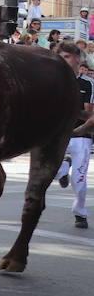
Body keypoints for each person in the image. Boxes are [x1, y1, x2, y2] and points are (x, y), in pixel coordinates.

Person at [54, 42, 92, 230]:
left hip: (80, 136)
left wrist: (69, 110)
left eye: (67, 57)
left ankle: (80, 213)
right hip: (58, 135)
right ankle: (63, 167)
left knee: (79, 181)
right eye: (60, 57)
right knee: (49, 172)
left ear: (77, 58)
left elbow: (88, 113)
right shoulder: (53, 81)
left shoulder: (87, 83)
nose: (63, 61)